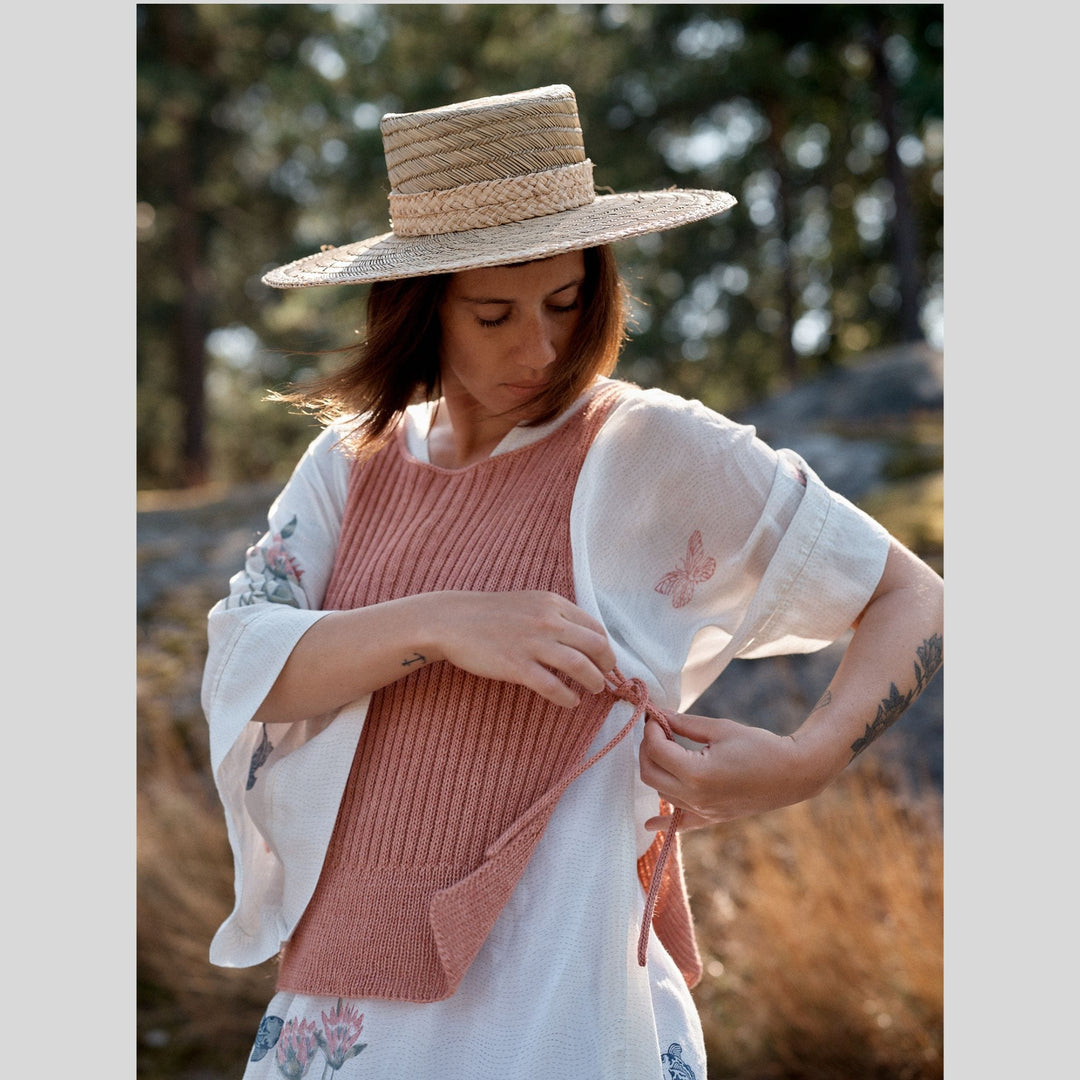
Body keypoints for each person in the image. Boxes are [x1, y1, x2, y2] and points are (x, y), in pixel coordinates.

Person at [202, 84, 943, 1080]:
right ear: (418, 308)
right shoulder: (351, 463)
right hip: (349, 1006)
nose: (541, 348)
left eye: (565, 301)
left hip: (562, 994)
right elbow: (246, 665)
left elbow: (915, 597)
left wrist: (806, 760)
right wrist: (447, 623)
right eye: (495, 313)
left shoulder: (650, 447)